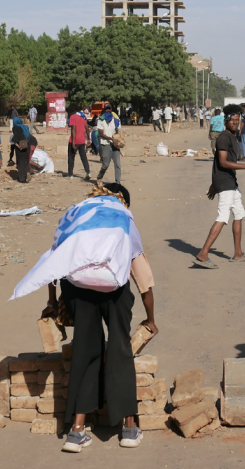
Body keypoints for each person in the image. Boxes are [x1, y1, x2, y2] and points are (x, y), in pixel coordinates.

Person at [10, 183, 156, 452]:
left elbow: (54, 260)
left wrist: (53, 304)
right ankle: (130, 427)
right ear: (123, 202)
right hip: (114, 292)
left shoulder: (80, 216)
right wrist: (150, 319)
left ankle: (76, 431)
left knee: (85, 351)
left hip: (77, 290)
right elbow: (143, 278)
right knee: (119, 349)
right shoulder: (122, 219)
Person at [194, 104, 245, 269]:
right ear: (226, 121)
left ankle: (238, 254)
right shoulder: (223, 137)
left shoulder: (232, 137)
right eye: (233, 120)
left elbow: (217, 164)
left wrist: (213, 185)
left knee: (239, 213)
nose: (235, 123)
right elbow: (222, 162)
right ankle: (203, 253)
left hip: (229, 182)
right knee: (223, 217)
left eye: (237, 120)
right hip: (226, 183)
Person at [97, 103, 122, 184]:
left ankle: (117, 182)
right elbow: (101, 134)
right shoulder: (100, 120)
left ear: (111, 109)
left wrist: (118, 141)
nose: (108, 110)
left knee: (117, 164)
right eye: (107, 108)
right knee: (105, 165)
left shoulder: (116, 120)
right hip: (105, 144)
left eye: (109, 108)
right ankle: (99, 177)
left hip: (115, 145)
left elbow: (117, 131)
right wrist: (112, 139)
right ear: (105, 109)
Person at [68, 106, 91, 180]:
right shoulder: (83, 117)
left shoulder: (72, 117)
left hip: (74, 140)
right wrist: (88, 139)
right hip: (82, 140)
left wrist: (73, 142)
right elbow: (87, 128)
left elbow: (74, 129)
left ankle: (70, 174)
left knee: (71, 157)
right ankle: (88, 172)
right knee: (83, 157)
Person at [11, 116, 31, 183]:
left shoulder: (15, 127)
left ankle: (22, 178)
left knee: (20, 162)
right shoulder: (25, 127)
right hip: (27, 145)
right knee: (26, 161)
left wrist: (16, 145)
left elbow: (16, 137)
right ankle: (27, 172)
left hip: (20, 146)